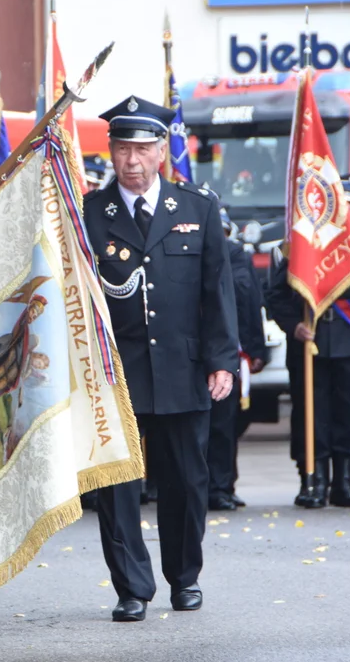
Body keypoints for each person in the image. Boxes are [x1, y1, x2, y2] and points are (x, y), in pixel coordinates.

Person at [82, 95, 238, 622]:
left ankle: (184, 577)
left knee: (187, 481)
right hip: (113, 375)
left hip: (183, 368)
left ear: (162, 151)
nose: (132, 160)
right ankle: (131, 587)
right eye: (123, 148)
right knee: (117, 488)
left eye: (143, 149)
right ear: (110, 151)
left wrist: (222, 360)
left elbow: (217, 292)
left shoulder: (196, 208)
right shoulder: (87, 214)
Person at [267, 177, 350, 509]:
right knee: (310, 414)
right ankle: (312, 480)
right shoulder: (299, 243)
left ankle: (344, 481)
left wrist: (322, 272)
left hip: (348, 339)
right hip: (309, 340)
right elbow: (275, 294)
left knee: (349, 413)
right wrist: (293, 325)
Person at [207, 208, 265, 510]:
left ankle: (222, 485)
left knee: (225, 423)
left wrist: (256, 349)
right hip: (193, 350)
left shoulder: (235, 255)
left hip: (229, 350)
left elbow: (250, 301)